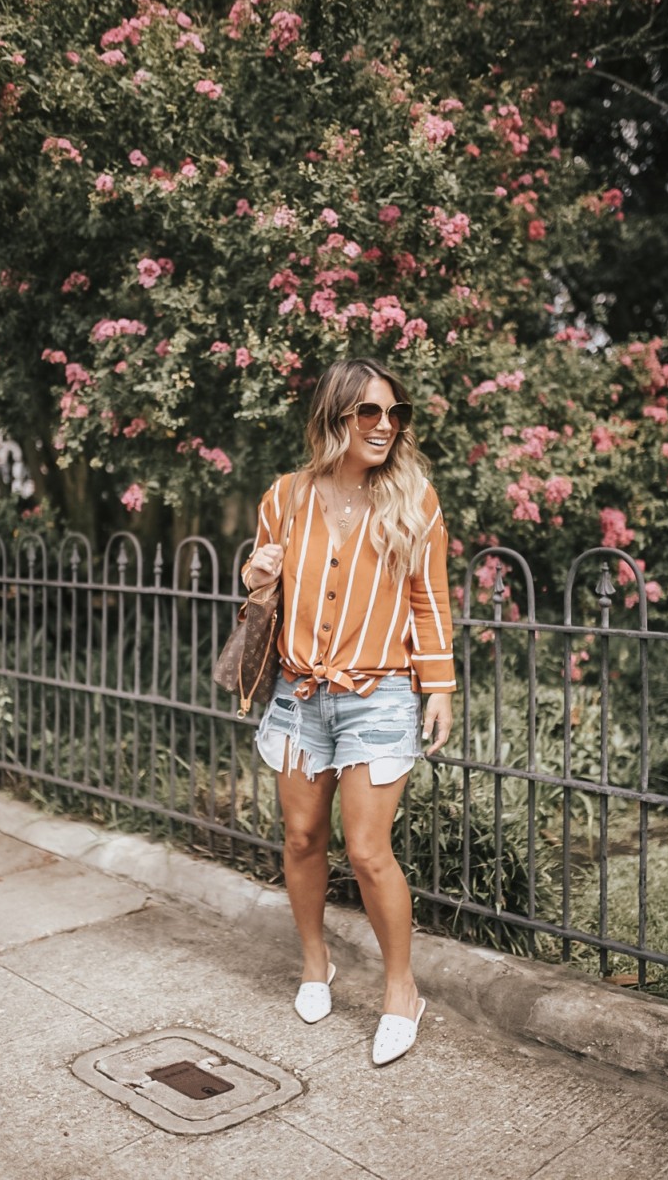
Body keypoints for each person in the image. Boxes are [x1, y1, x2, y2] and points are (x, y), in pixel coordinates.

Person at [242, 357, 456, 1066]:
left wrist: (441, 686)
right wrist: (256, 576)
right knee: (302, 837)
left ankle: (402, 990)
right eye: (369, 412)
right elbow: (264, 578)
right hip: (300, 694)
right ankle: (316, 963)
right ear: (334, 416)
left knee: (367, 850)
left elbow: (428, 599)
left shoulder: (414, 500)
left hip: (380, 693)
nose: (385, 426)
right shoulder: (286, 495)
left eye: (394, 414)